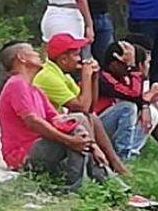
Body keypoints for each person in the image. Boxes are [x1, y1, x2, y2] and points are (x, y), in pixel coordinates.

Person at [0, 41, 111, 192]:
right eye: (33, 51)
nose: (38, 54)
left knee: (76, 123)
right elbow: (32, 121)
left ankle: (105, 184)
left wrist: (93, 145)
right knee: (77, 125)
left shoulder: (35, 90)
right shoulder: (17, 84)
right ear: (22, 58)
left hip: (40, 147)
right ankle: (77, 187)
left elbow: (59, 119)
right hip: (22, 154)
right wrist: (69, 140)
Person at [32, 33, 130, 176]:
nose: (80, 59)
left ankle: (113, 162)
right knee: (82, 117)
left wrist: (94, 78)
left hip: (59, 125)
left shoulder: (62, 74)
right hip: (47, 133)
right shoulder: (48, 76)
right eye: (76, 55)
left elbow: (90, 107)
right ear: (63, 59)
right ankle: (99, 168)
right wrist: (86, 76)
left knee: (91, 117)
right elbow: (82, 107)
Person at [95, 41, 158, 161]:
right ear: (114, 64)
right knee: (128, 107)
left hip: (109, 128)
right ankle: (123, 155)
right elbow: (133, 95)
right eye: (127, 65)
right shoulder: (103, 78)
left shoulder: (123, 78)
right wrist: (136, 71)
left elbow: (138, 99)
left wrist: (145, 104)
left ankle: (131, 152)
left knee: (152, 111)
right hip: (96, 126)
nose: (128, 70)